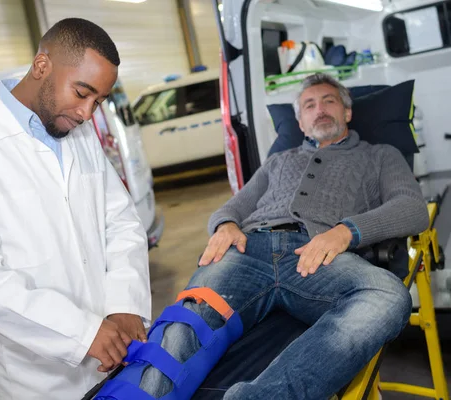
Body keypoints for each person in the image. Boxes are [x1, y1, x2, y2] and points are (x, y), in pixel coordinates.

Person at [135, 73, 429, 399]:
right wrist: (225, 226)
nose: (320, 109)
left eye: (329, 101)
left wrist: (347, 232)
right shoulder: (278, 161)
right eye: (309, 105)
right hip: (249, 251)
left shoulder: (379, 155)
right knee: (188, 320)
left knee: (387, 296)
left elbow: (412, 208)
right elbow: (232, 208)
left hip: (318, 255)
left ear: (347, 113)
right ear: (300, 123)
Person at [0, 18, 151, 399]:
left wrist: (124, 303)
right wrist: (79, 332)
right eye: (82, 92)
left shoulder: (78, 134)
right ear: (42, 66)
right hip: (35, 381)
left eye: (98, 101)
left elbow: (121, 222)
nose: (86, 113)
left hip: (114, 361)